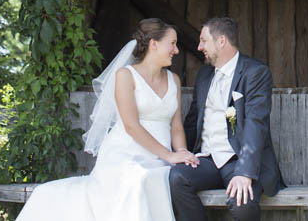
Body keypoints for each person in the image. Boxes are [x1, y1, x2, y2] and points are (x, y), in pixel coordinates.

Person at [16, 18, 198, 221]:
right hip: (127, 154)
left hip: (162, 159)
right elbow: (131, 125)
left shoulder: (174, 80)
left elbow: (176, 126)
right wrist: (169, 155)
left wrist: (181, 152)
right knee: (136, 180)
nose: (176, 50)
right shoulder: (125, 76)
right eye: (172, 43)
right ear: (154, 44)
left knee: (164, 179)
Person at [169, 16, 283, 221]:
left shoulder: (255, 72)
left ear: (221, 41)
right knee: (177, 178)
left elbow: (256, 124)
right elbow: (192, 121)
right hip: (207, 160)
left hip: (238, 160)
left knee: (242, 202)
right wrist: (180, 153)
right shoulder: (204, 75)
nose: (199, 46)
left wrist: (245, 173)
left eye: (204, 40)